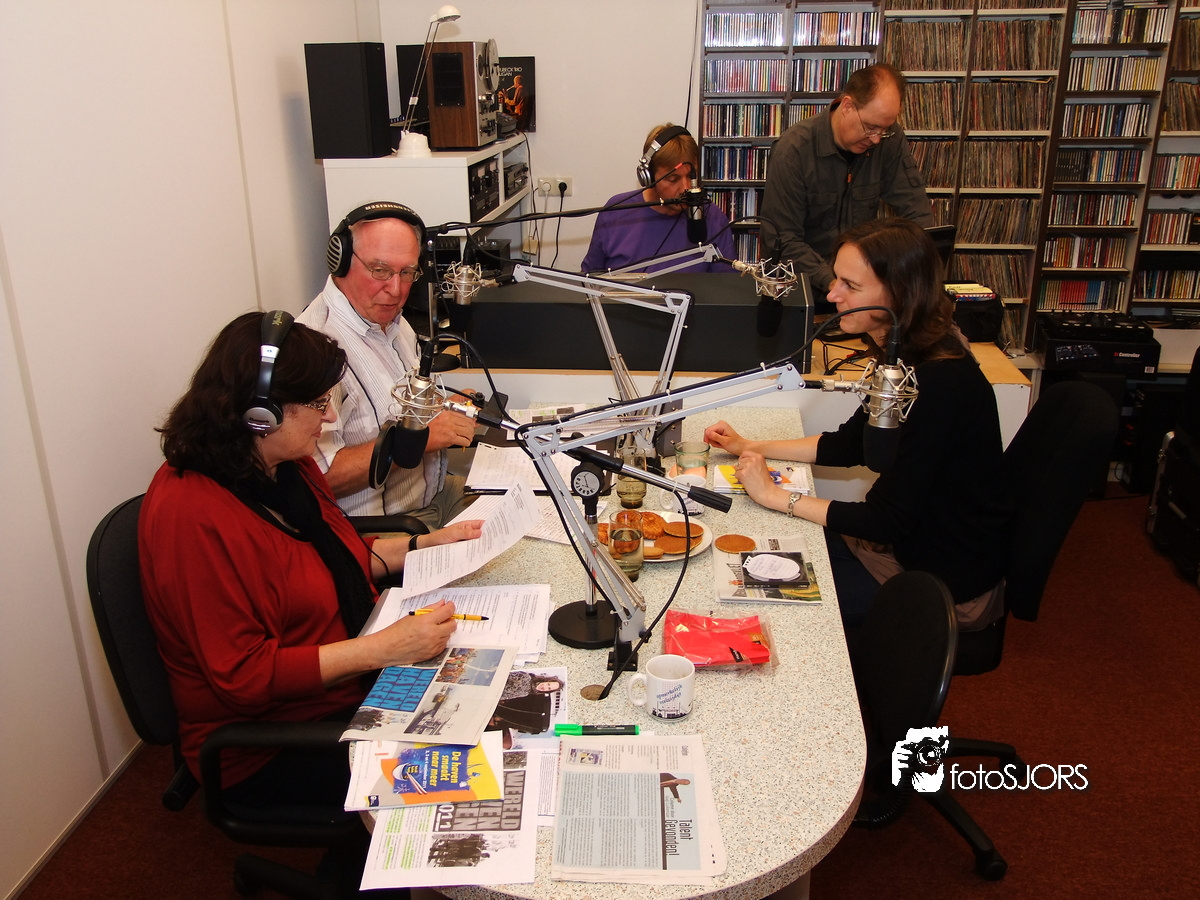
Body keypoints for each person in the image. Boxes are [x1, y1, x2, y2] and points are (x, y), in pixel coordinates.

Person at [139, 310, 483, 805]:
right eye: (319, 403)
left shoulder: (284, 465)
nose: (330, 418)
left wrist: (424, 545)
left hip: (349, 682)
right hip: (273, 744)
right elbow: (245, 677)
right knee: (468, 778)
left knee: (490, 710)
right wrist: (383, 649)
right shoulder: (190, 516)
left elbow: (337, 557)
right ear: (261, 413)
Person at [703, 218, 1009, 632]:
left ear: (899, 295)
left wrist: (775, 496)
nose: (832, 294)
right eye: (836, 279)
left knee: (770, 609)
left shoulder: (941, 384)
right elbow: (850, 445)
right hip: (898, 549)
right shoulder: (906, 354)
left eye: (850, 285)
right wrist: (749, 445)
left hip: (938, 584)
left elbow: (886, 519)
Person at [297, 201, 477, 530]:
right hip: (384, 530)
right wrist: (418, 439)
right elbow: (315, 479)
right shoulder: (314, 348)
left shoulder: (393, 321)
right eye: (379, 270)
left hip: (436, 497)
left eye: (407, 273)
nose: (395, 290)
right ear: (340, 260)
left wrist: (443, 409)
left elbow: (400, 411)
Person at [759, 64, 933, 310]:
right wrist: (839, 285)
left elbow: (916, 212)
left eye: (884, 130)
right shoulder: (794, 151)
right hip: (802, 295)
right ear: (847, 105)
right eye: (870, 127)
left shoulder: (890, 141)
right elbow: (782, 239)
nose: (876, 139)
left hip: (861, 293)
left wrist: (923, 274)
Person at [581, 123, 736, 275]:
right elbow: (589, 279)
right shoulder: (616, 212)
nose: (685, 188)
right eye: (673, 179)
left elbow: (726, 286)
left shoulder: (712, 217)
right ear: (649, 177)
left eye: (691, 176)